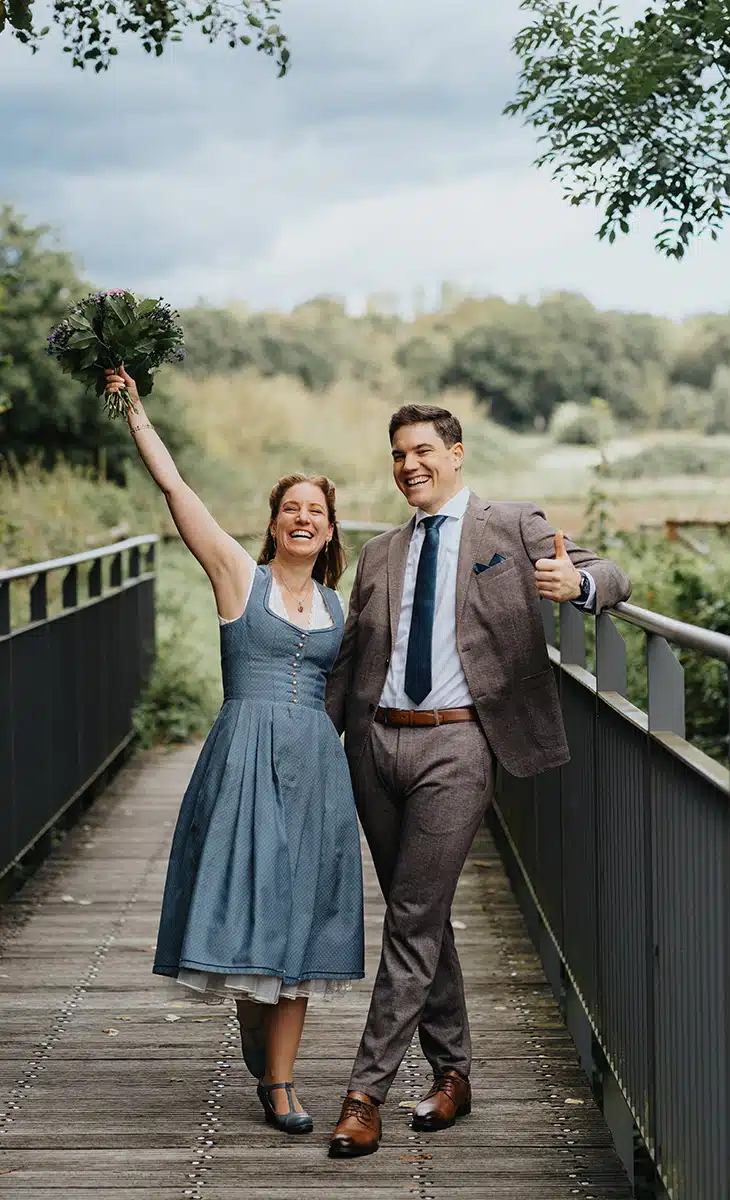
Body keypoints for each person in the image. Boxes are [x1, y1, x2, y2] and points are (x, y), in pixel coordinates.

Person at [325, 403, 632, 1157]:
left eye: (423, 451)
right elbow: (348, 662)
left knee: (412, 912)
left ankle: (366, 1092)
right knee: (417, 914)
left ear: (457, 454)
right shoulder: (378, 552)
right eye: (397, 455)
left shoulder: (511, 527)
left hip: (459, 746)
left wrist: (577, 583)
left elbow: (610, 571)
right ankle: (454, 1075)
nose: (408, 466)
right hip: (375, 748)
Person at [103, 365, 364, 1136]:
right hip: (245, 754)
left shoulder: (341, 606)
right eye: (291, 508)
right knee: (252, 895)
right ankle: (255, 1014)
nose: (303, 519)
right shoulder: (235, 578)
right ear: (275, 521)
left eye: (315, 510)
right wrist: (138, 416)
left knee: (304, 915)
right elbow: (179, 494)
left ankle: (281, 1084)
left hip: (316, 764)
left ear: (329, 527)